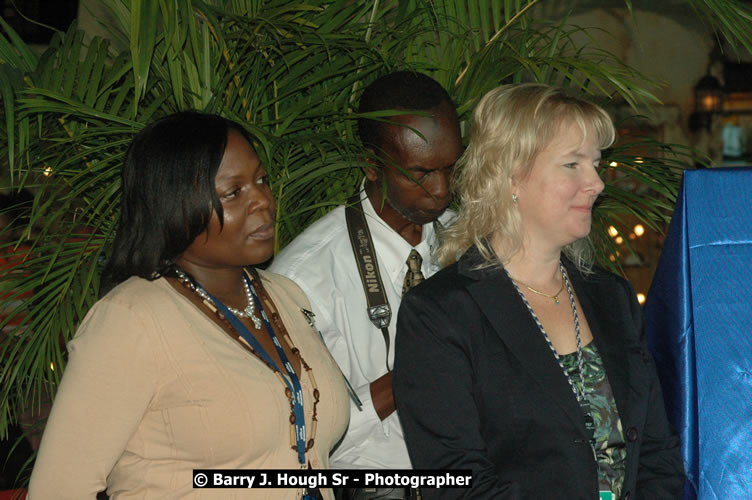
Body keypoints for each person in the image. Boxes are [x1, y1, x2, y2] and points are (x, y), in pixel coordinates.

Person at [28, 111, 349, 499]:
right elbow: (59, 489)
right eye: (234, 192)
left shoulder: (285, 296)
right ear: (176, 205)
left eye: (261, 180)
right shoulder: (131, 320)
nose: (263, 201)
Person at [393, 84, 684, 499]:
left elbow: (657, 453)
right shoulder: (440, 313)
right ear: (510, 175)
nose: (597, 183)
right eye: (572, 165)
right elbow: (457, 482)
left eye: (596, 164)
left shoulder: (614, 297)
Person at [269, 71, 463, 474]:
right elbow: (296, 432)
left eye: (451, 167)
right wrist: (406, 378)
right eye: (422, 172)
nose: (442, 190)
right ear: (372, 166)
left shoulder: (474, 239)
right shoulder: (304, 277)